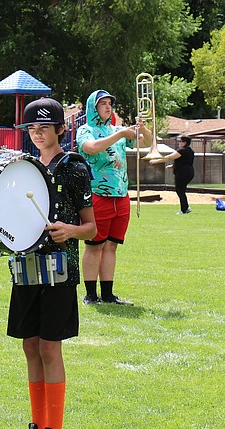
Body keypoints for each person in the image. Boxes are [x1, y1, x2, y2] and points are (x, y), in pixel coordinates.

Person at [6, 98, 96, 429]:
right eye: (32, 127)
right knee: (30, 346)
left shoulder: (74, 167)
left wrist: (69, 231)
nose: (37, 133)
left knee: (49, 349)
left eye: (44, 127)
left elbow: (91, 227)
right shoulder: (22, 168)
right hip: (25, 268)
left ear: (61, 129)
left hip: (59, 271)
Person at [75, 90, 151, 306]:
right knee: (94, 246)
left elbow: (148, 144)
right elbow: (90, 148)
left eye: (110, 103)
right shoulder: (85, 130)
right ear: (93, 107)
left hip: (121, 196)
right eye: (103, 104)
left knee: (111, 246)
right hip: (98, 196)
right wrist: (120, 135)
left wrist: (144, 129)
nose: (108, 107)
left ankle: (107, 295)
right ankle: (90, 295)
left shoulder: (117, 130)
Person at [149, 135, 195, 214]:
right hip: (189, 172)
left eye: (180, 141)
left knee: (179, 190)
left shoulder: (182, 150)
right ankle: (186, 207)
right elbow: (184, 161)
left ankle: (184, 209)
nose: (179, 143)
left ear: (184, 143)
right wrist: (173, 166)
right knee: (181, 190)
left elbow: (170, 157)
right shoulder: (190, 151)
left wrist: (156, 161)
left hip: (182, 173)